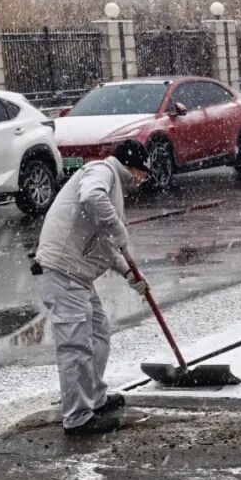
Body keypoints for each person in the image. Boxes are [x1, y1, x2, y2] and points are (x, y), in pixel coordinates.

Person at [34, 141, 150, 435]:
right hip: (63, 273)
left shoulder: (113, 187)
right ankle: (77, 417)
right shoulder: (103, 171)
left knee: (98, 333)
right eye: (142, 173)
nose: (141, 179)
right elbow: (91, 197)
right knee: (75, 346)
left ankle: (94, 399)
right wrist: (119, 230)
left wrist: (128, 273)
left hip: (78, 277)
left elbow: (106, 246)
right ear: (132, 166)